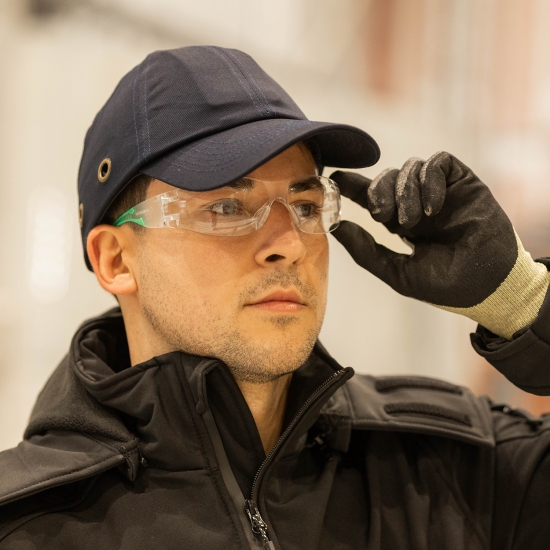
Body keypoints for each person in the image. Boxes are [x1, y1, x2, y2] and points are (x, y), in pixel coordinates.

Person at [1, 46, 549, 550]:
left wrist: (523, 301)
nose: (288, 245)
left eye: (306, 207)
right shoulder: (31, 527)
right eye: (226, 209)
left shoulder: (445, 469)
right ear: (115, 260)